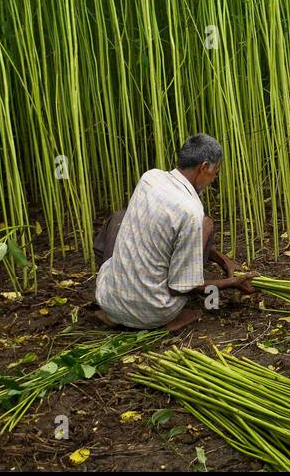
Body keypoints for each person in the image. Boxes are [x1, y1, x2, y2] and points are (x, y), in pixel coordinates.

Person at [95, 134, 254, 331]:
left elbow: (164, 236)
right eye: (215, 172)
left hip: (108, 301)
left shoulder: (150, 178)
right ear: (203, 167)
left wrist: (222, 260)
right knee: (206, 225)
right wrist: (232, 282)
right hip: (151, 313)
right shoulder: (190, 211)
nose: (214, 179)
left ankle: (122, 297)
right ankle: (169, 317)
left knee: (120, 217)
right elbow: (179, 288)